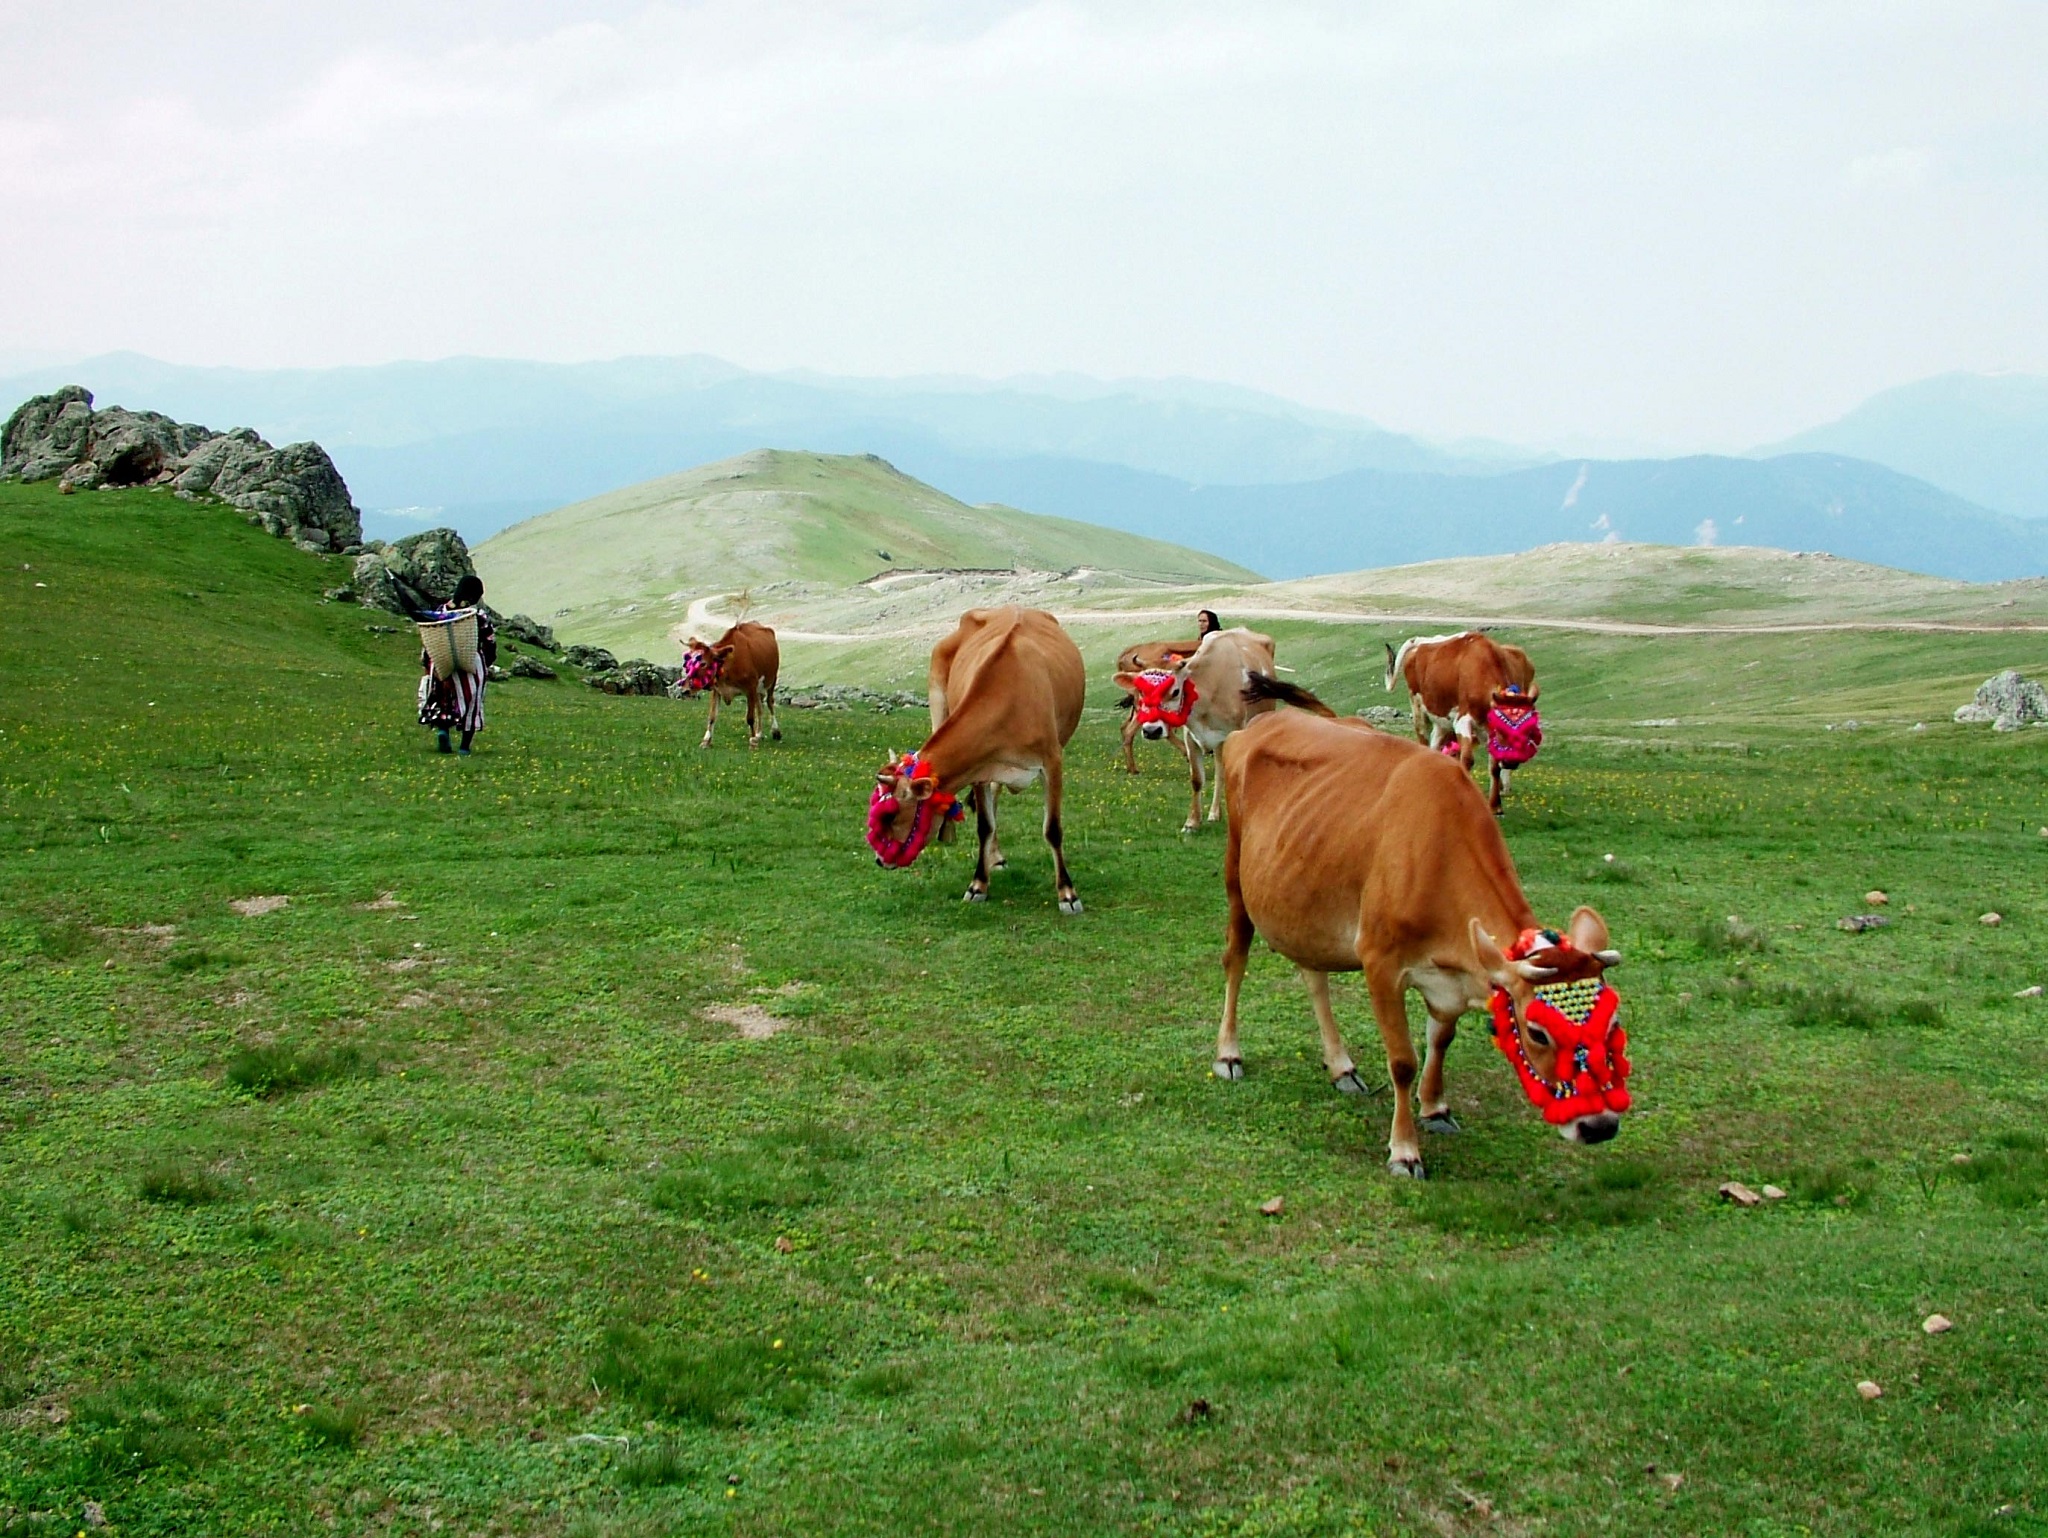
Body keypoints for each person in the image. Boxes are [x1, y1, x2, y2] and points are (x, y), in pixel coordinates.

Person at [418, 574, 496, 755]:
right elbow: (489, 640)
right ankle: (464, 747)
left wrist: (428, 663)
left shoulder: (440, 611)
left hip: (442, 661)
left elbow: (429, 638)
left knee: (443, 699)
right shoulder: (476, 615)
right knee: (471, 702)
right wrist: (489, 660)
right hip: (470, 662)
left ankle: (443, 730)